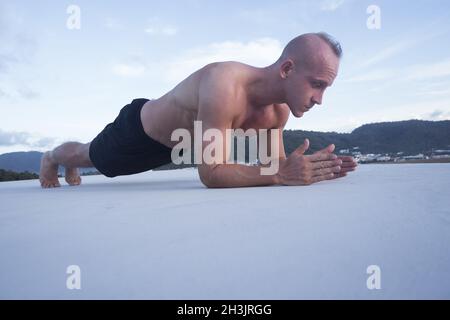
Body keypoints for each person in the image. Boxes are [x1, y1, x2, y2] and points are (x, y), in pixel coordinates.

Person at [39, 32, 357, 188]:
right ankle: (53, 156)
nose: (319, 99)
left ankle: (66, 159)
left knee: (93, 157)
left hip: (176, 148)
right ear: (287, 69)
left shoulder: (277, 114)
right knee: (90, 155)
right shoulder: (226, 84)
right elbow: (212, 172)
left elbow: (274, 165)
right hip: (140, 133)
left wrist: (311, 169)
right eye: (317, 84)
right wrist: (278, 173)